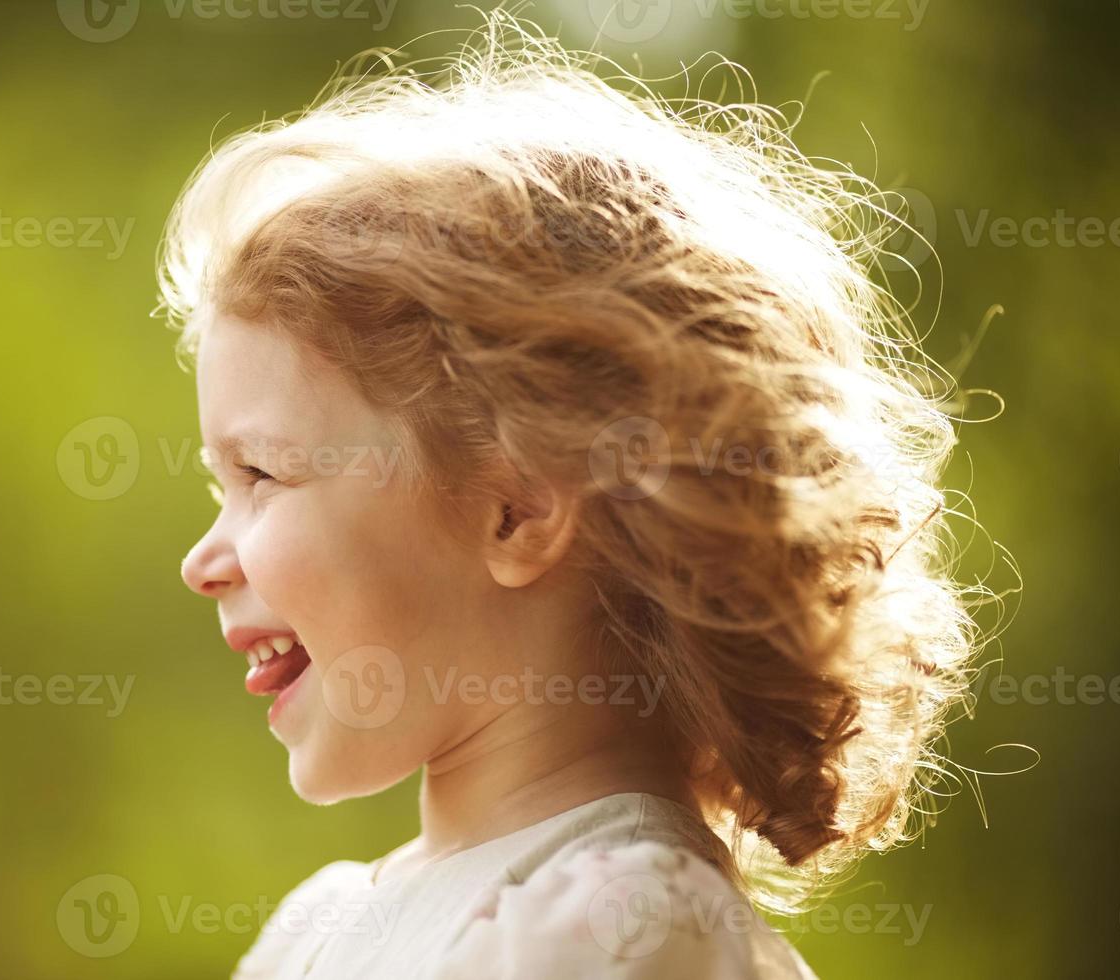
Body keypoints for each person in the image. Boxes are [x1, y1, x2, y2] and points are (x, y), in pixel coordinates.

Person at [170, 14, 976, 978]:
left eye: (262, 474)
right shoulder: (320, 927)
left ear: (517, 509)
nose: (200, 561)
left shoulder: (623, 927)